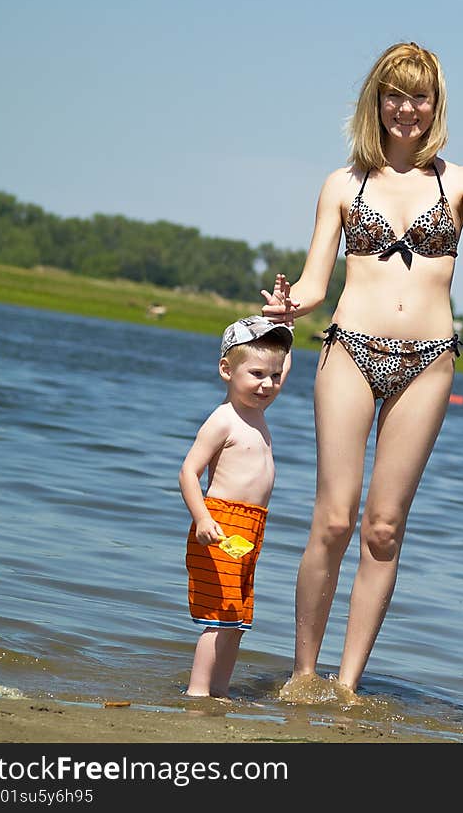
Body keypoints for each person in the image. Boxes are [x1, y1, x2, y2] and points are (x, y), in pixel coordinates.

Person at [261, 42, 463, 696]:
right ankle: (303, 675)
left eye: (420, 96)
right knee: (334, 519)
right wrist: (290, 303)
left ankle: (347, 684)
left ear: (435, 105)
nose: (407, 108)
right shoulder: (343, 183)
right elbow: (316, 279)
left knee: (383, 529)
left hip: (429, 361)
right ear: (375, 102)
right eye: (394, 94)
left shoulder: (461, 181)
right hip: (350, 347)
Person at [179, 297, 294, 698]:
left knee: (237, 618)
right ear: (227, 370)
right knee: (219, 616)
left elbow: (283, 357)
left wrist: (285, 321)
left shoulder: (258, 411)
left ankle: (220, 691)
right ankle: (197, 691)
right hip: (220, 523)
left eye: (275, 377)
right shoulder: (224, 418)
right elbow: (188, 472)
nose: (267, 384)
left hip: (251, 525)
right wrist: (203, 520)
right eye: (257, 374)